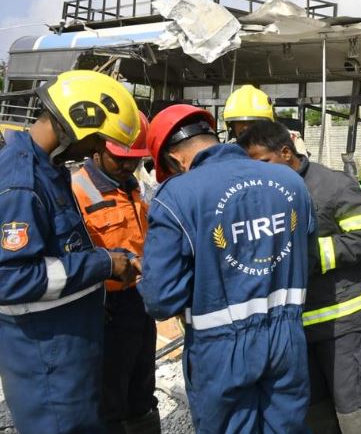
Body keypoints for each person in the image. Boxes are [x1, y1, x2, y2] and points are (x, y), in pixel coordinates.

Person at [139, 105, 315, 433]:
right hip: (287, 338)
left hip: (220, 348)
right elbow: (304, 251)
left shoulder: (176, 195)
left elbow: (161, 300)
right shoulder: (290, 181)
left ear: (175, 159)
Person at [0, 70, 141, 434]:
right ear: (76, 124)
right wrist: (104, 263)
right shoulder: (22, 184)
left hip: (66, 351)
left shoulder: (48, 171)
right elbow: (9, 278)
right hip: (46, 361)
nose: (94, 150)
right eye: (96, 139)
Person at [237, 121, 361, 433]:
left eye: (263, 162)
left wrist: (308, 257)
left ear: (286, 152)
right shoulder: (262, 194)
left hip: (341, 323)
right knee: (313, 408)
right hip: (294, 328)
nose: (257, 172)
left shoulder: (332, 185)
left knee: (353, 404)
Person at [71, 110, 160, 434]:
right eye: (119, 159)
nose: (127, 166)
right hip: (105, 307)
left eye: (134, 160)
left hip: (140, 300)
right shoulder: (76, 190)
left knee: (142, 386)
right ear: (97, 149)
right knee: (109, 396)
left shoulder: (135, 187)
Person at [222, 84, 309, 156]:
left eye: (253, 122)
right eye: (240, 122)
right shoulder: (228, 150)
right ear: (231, 125)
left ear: (267, 123)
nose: (246, 127)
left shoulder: (291, 142)